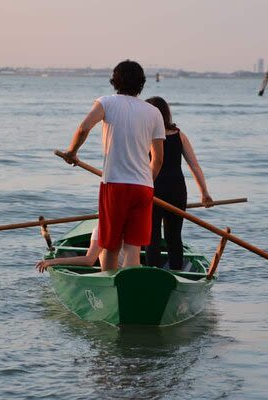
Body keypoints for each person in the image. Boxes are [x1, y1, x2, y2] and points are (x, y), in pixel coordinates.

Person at [60, 60, 165, 271]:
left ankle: (110, 294)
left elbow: (83, 128)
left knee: (110, 246)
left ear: (114, 81)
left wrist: (72, 152)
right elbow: (158, 159)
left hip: (115, 186)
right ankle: (132, 292)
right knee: (134, 251)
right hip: (143, 188)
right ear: (142, 84)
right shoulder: (154, 112)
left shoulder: (106, 103)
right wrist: (147, 182)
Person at [144, 96, 213, 270]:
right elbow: (195, 166)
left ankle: (152, 274)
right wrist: (204, 192)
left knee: (151, 236)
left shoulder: (147, 135)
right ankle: (176, 272)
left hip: (153, 189)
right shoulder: (180, 135)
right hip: (177, 190)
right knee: (174, 236)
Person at [35, 227, 129, 272]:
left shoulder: (101, 230)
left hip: (114, 275)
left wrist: (54, 261)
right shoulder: (135, 226)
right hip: (133, 273)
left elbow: (89, 260)